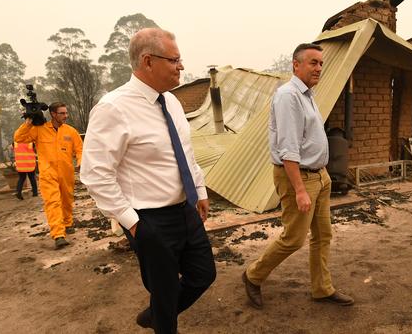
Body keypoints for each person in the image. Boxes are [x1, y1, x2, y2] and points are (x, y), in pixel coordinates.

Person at [80, 28, 216, 334]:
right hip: (149, 219)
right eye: (174, 59)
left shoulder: (173, 103)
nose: (181, 66)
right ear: (148, 61)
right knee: (165, 293)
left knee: (204, 274)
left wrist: (199, 190)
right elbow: (95, 173)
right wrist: (133, 222)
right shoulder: (113, 108)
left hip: (185, 209)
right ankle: (162, 319)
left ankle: (155, 315)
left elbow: (185, 153)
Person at [242, 43, 354, 309]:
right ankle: (252, 276)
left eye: (321, 64)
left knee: (323, 235)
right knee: (294, 238)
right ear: (296, 64)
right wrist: (300, 190)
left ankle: (322, 288)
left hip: (319, 176)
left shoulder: (307, 94)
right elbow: (288, 148)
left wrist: (322, 173)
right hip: (299, 177)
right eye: (313, 63)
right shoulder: (288, 96)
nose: (318, 68)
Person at [14, 102, 82, 249]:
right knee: (53, 202)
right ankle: (58, 234)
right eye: (62, 113)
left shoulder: (71, 131)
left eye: (66, 113)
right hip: (48, 173)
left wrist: (80, 162)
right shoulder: (39, 130)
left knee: (66, 199)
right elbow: (19, 138)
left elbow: (80, 149)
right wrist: (28, 122)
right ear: (53, 114)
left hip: (66, 172)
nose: (66, 116)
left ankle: (67, 222)